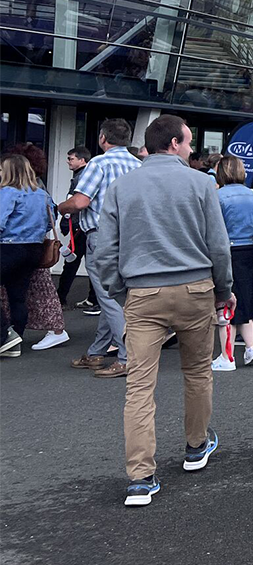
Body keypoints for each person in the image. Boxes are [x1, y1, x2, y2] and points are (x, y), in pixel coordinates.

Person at [85, 114, 234, 507]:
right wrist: (224, 290)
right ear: (173, 144)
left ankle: (140, 477)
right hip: (196, 288)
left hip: (142, 292)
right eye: (187, 143)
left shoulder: (121, 186)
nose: (190, 150)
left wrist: (121, 291)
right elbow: (218, 246)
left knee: (139, 386)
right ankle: (196, 445)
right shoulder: (202, 183)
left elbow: (104, 251)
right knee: (197, 371)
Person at [57, 118, 142, 378]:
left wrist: (61, 207)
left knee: (107, 295)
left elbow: (81, 201)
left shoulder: (99, 163)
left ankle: (128, 357)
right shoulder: (139, 165)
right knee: (115, 294)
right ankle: (97, 351)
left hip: (103, 234)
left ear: (103, 139)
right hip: (132, 235)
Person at [213, 156, 253, 370]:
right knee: (246, 301)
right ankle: (250, 347)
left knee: (225, 303)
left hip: (227, 251)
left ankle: (227, 356)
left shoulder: (217, 196)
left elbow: (211, 229)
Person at [0, 153, 58, 358]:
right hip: (34, 249)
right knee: (17, 296)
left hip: (9, 247)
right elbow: (53, 217)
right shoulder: (42, 194)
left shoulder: (7, 192)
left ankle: (5, 335)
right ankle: (16, 338)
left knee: (13, 294)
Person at [57, 145, 91, 308]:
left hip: (79, 227)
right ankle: (93, 298)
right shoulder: (84, 175)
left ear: (82, 160)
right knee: (91, 264)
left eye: (71, 159)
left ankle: (60, 297)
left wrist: (67, 222)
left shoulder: (81, 177)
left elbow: (76, 203)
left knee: (71, 262)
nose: (68, 162)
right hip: (82, 226)